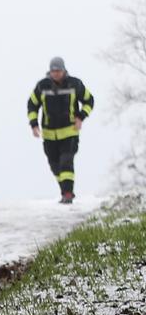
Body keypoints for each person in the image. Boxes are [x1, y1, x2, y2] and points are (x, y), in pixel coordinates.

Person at [28, 56, 94, 204]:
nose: (56, 73)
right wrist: (33, 124)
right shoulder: (42, 86)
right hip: (49, 135)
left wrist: (81, 117)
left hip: (69, 132)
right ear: (50, 72)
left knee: (66, 162)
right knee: (55, 166)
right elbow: (32, 105)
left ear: (64, 70)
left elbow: (89, 100)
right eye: (53, 71)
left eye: (58, 70)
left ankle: (68, 194)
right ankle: (65, 191)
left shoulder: (75, 84)